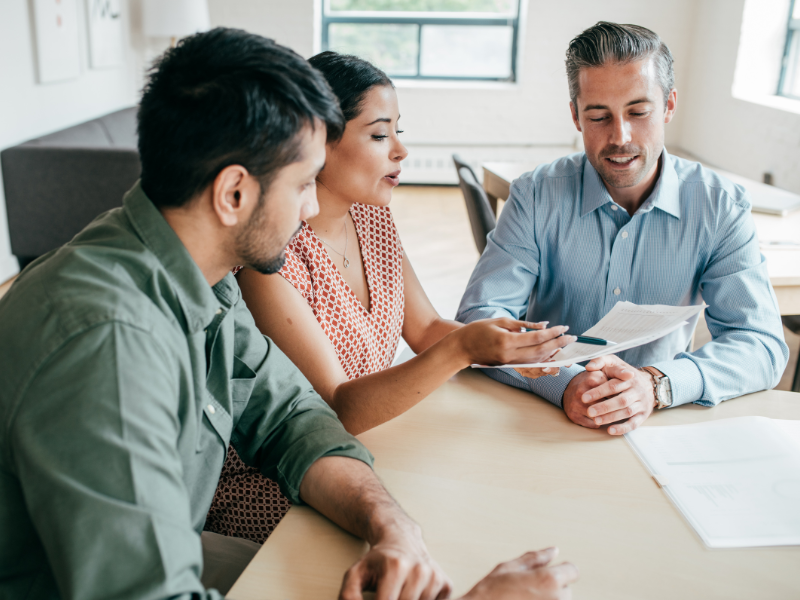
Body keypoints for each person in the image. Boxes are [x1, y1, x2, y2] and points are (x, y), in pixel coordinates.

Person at [0, 28, 579, 600]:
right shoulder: (107, 342)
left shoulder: (202, 278)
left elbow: (291, 420)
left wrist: (391, 528)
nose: (311, 207)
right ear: (233, 194)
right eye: (304, 183)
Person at [206, 51, 574, 544]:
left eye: (399, 130)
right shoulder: (268, 258)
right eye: (380, 135)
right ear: (317, 144)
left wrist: (511, 342)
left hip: (376, 441)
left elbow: (423, 329)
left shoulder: (372, 217)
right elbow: (339, 411)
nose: (400, 150)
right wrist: (464, 349)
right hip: (280, 476)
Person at [456, 22, 789, 436]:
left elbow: (760, 344)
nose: (620, 137)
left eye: (638, 112)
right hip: (540, 418)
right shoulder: (537, 194)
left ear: (668, 106)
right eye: (599, 116)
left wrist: (656, 383)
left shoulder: (720, 206)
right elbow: (478, 319)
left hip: (661, 422)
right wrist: (565, 383)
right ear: (576, 116)